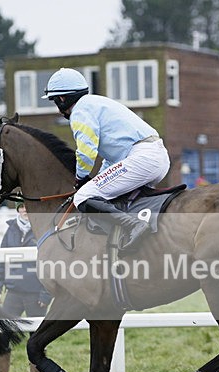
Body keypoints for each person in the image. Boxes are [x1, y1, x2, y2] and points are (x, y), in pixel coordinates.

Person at [42, 68, 170, 252]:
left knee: (83, 196)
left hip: (143, 159)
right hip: (156, 158)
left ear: (62, 99)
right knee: (107, 195)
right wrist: (97, 179)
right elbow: (111, 161)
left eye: (55, 101)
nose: (57, 107)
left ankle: (134, 225)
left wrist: (80, 179)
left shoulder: (80, 111)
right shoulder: (96, 103)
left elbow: (86, 152)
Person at [0, 203, 52, 372]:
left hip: (36, 294)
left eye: (27, 207)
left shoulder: (43, 230)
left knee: (37, 337)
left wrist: (46, 293)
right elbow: (1, 260)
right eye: (21, 207)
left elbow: (50, 264)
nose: (25, 210)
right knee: (3, 333)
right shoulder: (10, 230)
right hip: (13, 292)